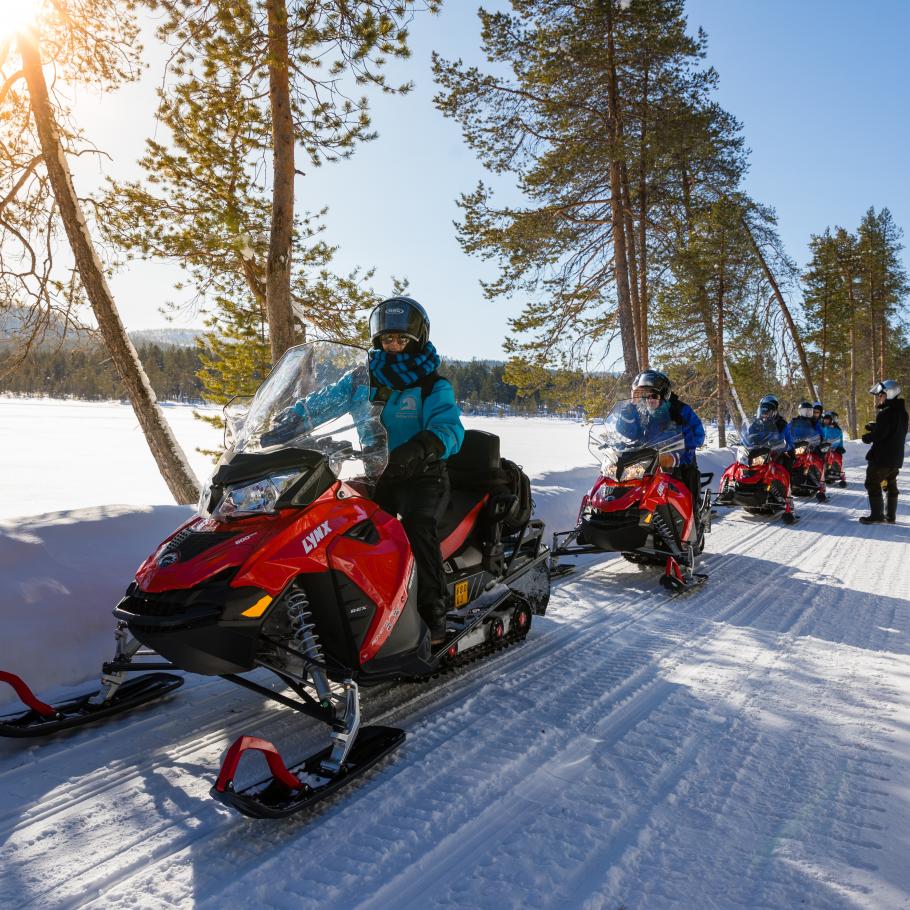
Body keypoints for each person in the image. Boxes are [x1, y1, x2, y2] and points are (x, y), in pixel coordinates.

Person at [272, 296, 464, 644]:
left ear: (416, 340)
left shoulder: (432, 385)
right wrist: (292, 420)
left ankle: (434, 613)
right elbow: (325, 401)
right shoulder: (362, 379)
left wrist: (421, 447)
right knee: (344, 528)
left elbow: (450, 429)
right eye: (387, 339)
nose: (392, 347)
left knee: (416, 527)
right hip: (379, 475)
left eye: (401, 340)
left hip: (423, 476)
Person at [626, 370, 706, 517]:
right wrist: (632, 405)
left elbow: (698, 435)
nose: (649, 400)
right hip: (649, 460)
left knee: (687, 476)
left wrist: (682, 450)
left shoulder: (681, 410)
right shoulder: (641, 411)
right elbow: (626, 430)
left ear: (664, 396)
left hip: (677, 460)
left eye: (654, 396)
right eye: (645, 396)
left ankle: (694, 516)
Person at [859, 380, 908, 524]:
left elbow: (881, 434)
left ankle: (877, 515)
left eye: (881, 395)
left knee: (872, 483)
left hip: (882, 458)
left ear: (889, 393)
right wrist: (876, 428)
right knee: (890, 485)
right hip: (895, 458)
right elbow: (893, 431)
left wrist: (868, 437)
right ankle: (890, 516)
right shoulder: (902, 413)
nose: (879, 398)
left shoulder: (886, 413)